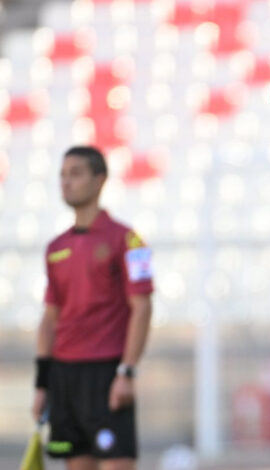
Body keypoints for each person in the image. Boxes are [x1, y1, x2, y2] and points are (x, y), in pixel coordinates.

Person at [32, 146, 154, 470]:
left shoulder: (130, 241)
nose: (66, 182)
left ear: (99, 180)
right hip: (64, 377)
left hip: (106, 374)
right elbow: (50, 318)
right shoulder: (55, 248)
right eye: (62, 175)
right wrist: (42, 384)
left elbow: (142, 308)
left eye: (75, 174)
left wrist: (127, 371)